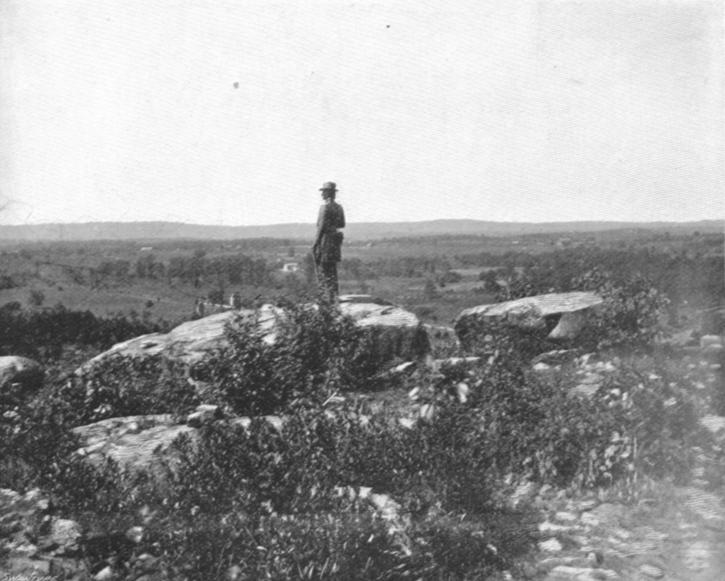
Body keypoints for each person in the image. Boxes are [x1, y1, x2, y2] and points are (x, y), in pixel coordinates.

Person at [312, 181, 346, 298]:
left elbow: (320, 228)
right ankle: (334, 294)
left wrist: (315, 244)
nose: (322, 195)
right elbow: (342, 224)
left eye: (324, 192)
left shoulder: (324, 208)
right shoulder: (339, 207)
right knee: (332, 269)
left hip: (325, 241)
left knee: (323, 268)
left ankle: (326, 295)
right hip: (335, 241)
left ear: (328, 193)